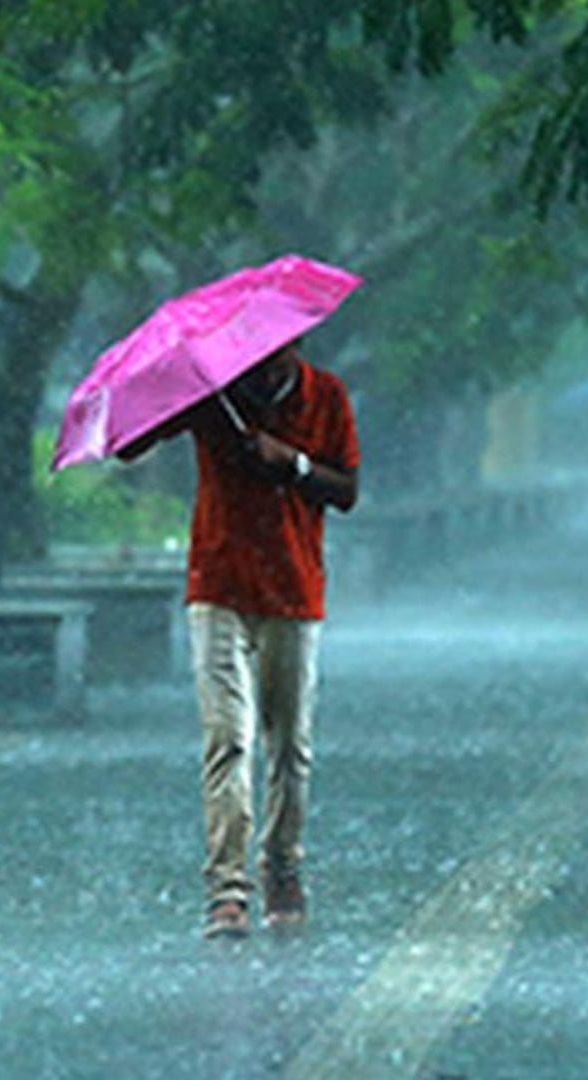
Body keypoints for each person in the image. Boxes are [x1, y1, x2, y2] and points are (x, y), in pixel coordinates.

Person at [121, 338, 359, 939]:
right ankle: (227, 890)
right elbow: (130, 447)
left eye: (275, 353)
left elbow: (348, 490)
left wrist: (293, 463)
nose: (261, 364)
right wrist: (163, 391)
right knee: (227, 738)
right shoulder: (213, 395)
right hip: (219, 585)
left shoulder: (325, 395)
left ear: (297, 345)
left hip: (294, 590)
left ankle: (282, 867)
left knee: (289, 746)